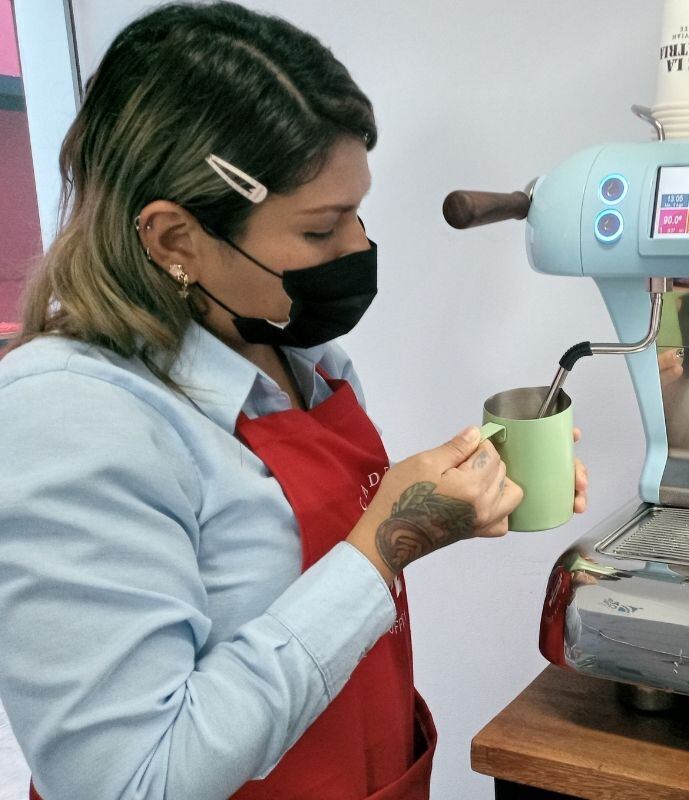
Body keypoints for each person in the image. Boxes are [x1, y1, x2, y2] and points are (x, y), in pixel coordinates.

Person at [0, 3, 587, 798]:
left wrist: (463, 499)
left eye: (358, 213)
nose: (360, 248)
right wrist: (386, 544)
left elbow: (301, 574)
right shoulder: (69, 418)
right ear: (174, 239)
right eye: (320, 231)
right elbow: (132, 779)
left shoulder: (301, 358)